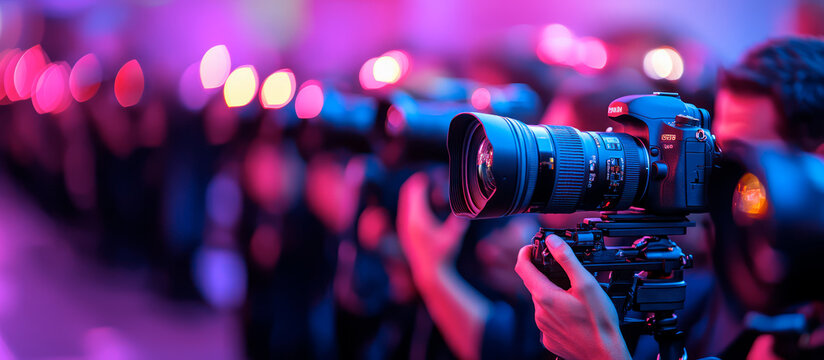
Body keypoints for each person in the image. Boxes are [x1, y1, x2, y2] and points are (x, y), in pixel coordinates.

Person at [515, 37, 824, 359]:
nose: (712, 170)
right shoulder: (731, 279)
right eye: (710, 147)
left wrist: (600, 353)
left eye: (738, 159)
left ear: (816, 167)